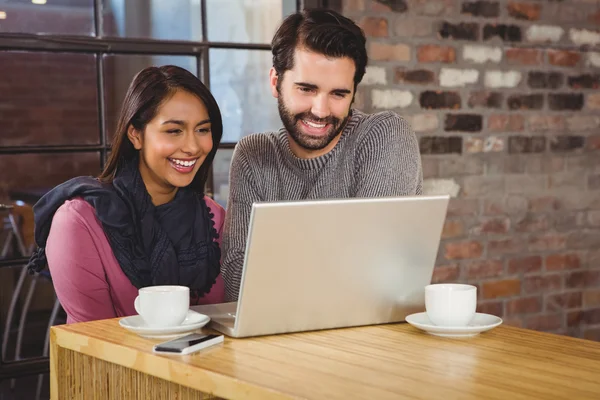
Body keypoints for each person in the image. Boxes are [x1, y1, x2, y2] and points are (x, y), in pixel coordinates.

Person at [221, 9, 424, 302]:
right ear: (275, 81)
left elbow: (374, 277)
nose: (320, 110)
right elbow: (237, 283)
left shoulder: (383, 135)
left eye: (338, 94)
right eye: (306, 88)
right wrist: (339, 254)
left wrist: (273, 260)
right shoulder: (253, 155)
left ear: (353, 93)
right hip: (276, 341)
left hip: (368, 341)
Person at [27, 65, 225, 323]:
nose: (192, 147)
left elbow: (220, 321)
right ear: (136, 134)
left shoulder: (213, 217)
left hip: (201, 360)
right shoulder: (78, 222)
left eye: (202, 130)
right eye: (174, 130)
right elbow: (96, 339)